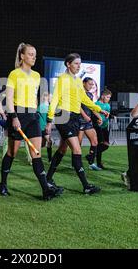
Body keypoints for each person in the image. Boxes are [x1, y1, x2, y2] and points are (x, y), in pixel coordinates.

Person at [0, 43, 61, 201]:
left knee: (36, 154)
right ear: (22, 56)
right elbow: (10, 99)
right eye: (31, 54)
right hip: (18, 114)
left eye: (35, 54)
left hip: (32, 116)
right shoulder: (14, 74)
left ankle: (45, 189)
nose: (34, 57)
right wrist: (13, 117)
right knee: (12, 153)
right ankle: (3, 184)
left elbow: (33, 98)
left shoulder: (36, 76)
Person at [45, 53, 109, 195]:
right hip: (63, 115)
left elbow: (84, 99)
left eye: (80, 64)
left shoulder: (78, 81)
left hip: (74, 117)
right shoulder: (63, 78)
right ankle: (86, 186)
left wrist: (99, 109)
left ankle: (48, 178)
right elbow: (55, 99)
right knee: (77, 149)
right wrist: (49, 120)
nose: (79, 66)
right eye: (76, 64)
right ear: (68, 64)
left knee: (62, 149)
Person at [78, 77, 102, 171]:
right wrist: (84, 115)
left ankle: (91, 163)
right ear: (84, 83)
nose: (91, 86)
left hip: (88, 122)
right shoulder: (79, 93)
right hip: (79, 120)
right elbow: (78, 106)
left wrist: (99, 117)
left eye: (92, 84)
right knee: (77, 145)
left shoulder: (90, 95)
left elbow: (92, 107)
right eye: (89, 84)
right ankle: (76, 164)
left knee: (95, 141)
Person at [94, 89, 112, 169]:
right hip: (98, 127)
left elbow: (107, 114)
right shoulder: (96, 104)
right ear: (102, 96)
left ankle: (91, 155)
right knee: (100, 144)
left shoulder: (108, 105)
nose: (109, 99)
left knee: (106, 145)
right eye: (107, 97)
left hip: (105, 127)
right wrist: (97, 119)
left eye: (109, 97)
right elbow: (93, 113)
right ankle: (98, 163)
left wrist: (109, 115)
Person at [38, 92, 53, 162]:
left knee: (44, 144)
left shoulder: (48, 106)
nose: (51, 98)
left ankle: (49, 159)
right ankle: (49, 159)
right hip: (42, 127)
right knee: (49, 141)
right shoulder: (43, 106)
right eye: (50, 97)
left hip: (45, 127)